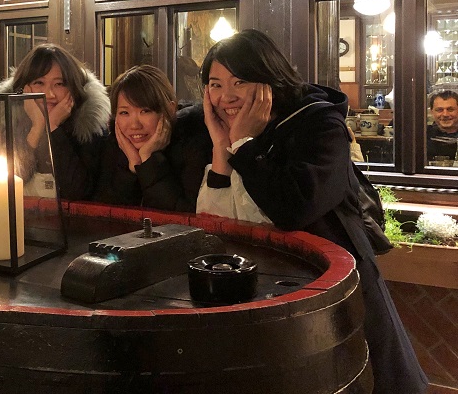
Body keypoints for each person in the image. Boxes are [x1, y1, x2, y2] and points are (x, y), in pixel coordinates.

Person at [197, 29, 427, 394]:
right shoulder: (223, 130)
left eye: (240, 81)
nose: (226, 96)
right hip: (268, 288)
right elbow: (214, 221)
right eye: (215, 84)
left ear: (269, 79)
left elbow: (294, 208)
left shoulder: (320, 125)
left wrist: (243, 143)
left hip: (332, 288)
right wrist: (221, 147)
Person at [0, 44, 110, 200]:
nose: (49, 94)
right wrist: (37, 128)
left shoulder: (88, 125)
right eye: (39, 83)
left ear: (72, 87)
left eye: (59, 84)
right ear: (24, 88)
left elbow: (78, 192)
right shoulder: (9, 122)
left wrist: (53, 127)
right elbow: (8, 183)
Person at [93, 65, 211, 210]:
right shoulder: (112, 144)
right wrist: (132, 168)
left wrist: (148, 161)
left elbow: (182, 215)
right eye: (124, 113)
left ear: (170, 109)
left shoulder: (192, 142)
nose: (134, 125)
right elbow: (104, 214)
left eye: (145, 111)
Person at [426, 89, 458, 161]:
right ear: (432, 112)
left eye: (450, 109)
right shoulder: (422, 137)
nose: (445, 114)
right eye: (439, 110)